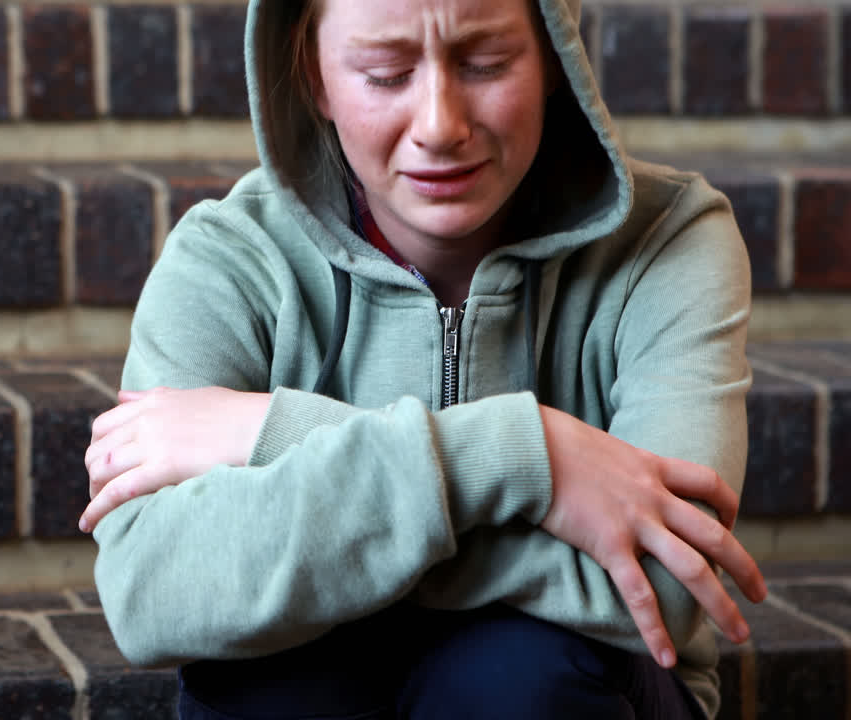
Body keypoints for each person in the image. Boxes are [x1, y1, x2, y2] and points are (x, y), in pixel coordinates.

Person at [80, 0, 768, 717]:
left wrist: (269, 434)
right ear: (313, 73)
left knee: (516, 677)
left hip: (579, 690)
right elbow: (155, 590)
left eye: (486, 64)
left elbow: (666, 585)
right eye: (386, 73)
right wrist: (528, 458)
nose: (440, 125)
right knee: (275, 684)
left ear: (555, 61)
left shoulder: (670, 240)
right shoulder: (227, 259)